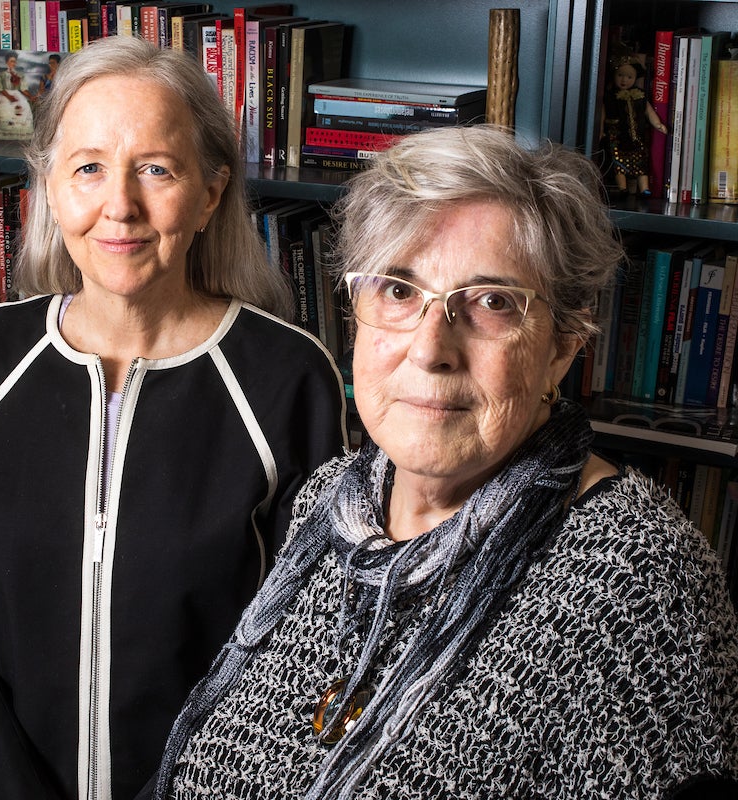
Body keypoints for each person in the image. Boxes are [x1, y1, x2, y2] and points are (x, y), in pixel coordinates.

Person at [153, 125, 738, 799]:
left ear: (563, 346)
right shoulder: (330, 505)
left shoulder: (639, 578)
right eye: (398, 291)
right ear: (356, 316)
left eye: (491, 302)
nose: (431, 348)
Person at [0, 35, 347, 800]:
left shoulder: (288, 380)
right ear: (49, 188)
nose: (119, 206)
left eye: (156, 170)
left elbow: (309, 652)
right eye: (89, 168)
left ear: (208, 193)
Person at [601, 53, 667, 195]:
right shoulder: (611, 97)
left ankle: (644, 188)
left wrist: (658, 124)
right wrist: (601, 130)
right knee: (618, 163)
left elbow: (649, 111)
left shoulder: (640, 96)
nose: (624, 80)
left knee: (641, 164)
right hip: (617, 136)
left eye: (629, 77)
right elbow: (602, 114)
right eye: (620, 75)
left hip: (636, 137)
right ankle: (623, 188)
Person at [0, 52, 36, 141]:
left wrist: (30, 97)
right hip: (4, 95)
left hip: (17, 94)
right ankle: (5, 133)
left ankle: (20, 133)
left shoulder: (19, 75)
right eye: (11, 61)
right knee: (5, 108)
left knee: (24, 105)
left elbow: (23, 89)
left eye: (14, 61)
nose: (13, 63)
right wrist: (9, 97)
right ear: (7, 62)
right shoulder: (2, 75)